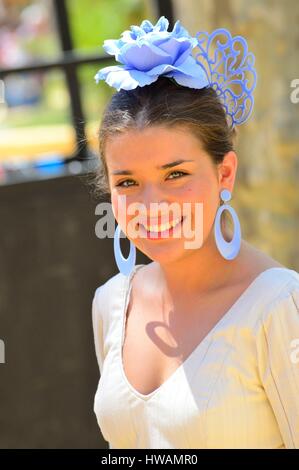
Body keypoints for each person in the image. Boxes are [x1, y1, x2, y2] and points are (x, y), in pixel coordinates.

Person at [91, 16, 299, 449]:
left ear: (224, 174)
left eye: (175, 174)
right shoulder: (112, 303)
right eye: (127, 182)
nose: (152, 206)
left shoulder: (279, 306)